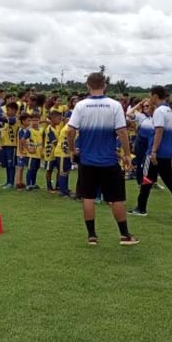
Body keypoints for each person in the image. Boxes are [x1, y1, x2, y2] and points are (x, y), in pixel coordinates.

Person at [66, 72, 139, 246]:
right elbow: (122, 131)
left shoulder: (81, 106)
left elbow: (70, 130)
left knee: (88, 197)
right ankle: (125, 236)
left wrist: (71, 149)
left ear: (88, 86)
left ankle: (92, 236)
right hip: (109, 161)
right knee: (116, 198)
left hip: (87, 160)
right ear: (105, 85)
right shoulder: (114, 105)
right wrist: (127, 154)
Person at [129, 86, 172, 219]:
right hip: (166, 152)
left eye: (150, 95)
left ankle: (141, 208)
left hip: (156, 152)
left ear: (155, 96)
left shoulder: (159, 111)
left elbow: (159, 131)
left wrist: (154, 151)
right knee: (167, 180)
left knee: (147, 179)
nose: (149, 98)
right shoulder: (168, 110)